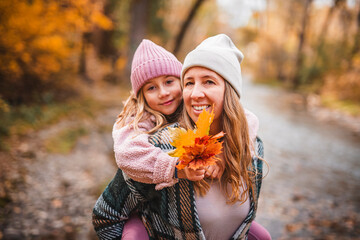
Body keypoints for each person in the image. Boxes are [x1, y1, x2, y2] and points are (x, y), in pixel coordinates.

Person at [93, 34, 270, 239]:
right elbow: (107, 214)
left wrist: (233, 149)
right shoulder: (159, 145)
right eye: (189, 83)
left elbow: (247, 121)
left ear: (230, 91)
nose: (195, 93)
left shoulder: (253, 147)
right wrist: (176, 167)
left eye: (208, 82)